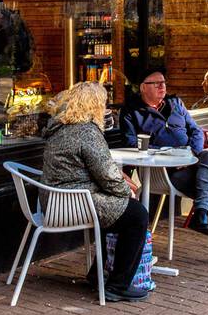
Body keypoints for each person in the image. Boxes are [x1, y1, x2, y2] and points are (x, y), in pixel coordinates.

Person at [121, 66, 208, 274]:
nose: (162, 87)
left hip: (192, 162)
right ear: (142, 88)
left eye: (164, 82)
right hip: (165, 172)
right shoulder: (132, 112)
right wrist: (171, 155)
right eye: (156, 83)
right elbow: (131, 142)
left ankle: (203, 213)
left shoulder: (176, 103)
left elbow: (194, 130)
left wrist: (190, 153)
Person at [42, 82, 151, 302]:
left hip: (54, 201)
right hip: (75, 204)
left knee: (115, 213)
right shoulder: (87, 131)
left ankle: (97, 273)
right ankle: (118, 285)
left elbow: (95, 171)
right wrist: (126, 191)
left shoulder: (59, 127)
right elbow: (108, 175)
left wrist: (118, 182)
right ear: (95, 105)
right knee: (137, 214)